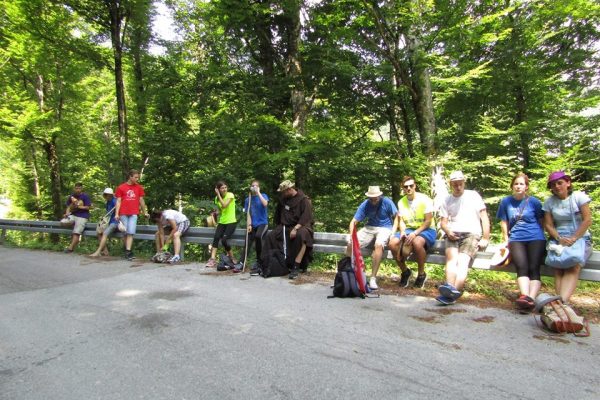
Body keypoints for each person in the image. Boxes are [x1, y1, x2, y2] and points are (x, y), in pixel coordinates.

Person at [437, 171, 490, 305]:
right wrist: (448, 231)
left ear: (464, 182)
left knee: (463, 261)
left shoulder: (473, 195)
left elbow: (484, 217)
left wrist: (485, 237)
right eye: (455, 185)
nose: (458, 187)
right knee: (451, 259)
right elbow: (443, 222)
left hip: (471, 233)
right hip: (453, 232)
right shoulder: (446, 199)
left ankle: (453, 292)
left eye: (460, 184)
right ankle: (449, 288)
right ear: (451, 185)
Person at [496, 173, 546, 312]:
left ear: (526, 187)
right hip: (516, 238)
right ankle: (525, 297)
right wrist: (506, 239)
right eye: (516, 184)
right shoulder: (506, 202)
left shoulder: (534, 202)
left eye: (521, 184)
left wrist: (540, 234)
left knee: (534, 267)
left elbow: (541, 221)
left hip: (536, 237)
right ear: (512, 186)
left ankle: (530, 298)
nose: (518, 186)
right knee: (522, 266)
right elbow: (504, 221)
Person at [542, 171, 592, 303]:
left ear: (568, 183)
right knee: (558, 267)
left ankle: (561, 302)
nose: (557, 186)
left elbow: (587, 220)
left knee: (573, 266)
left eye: (560, 183)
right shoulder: (549, 202)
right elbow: (548, 225)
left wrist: (574, 238)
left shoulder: (578, 197)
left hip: (580, 238)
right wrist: (559, 238)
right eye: (553, 185)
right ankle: (561, 303)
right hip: (559, 239)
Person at [388, 176, 437, 289]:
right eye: (406, 187)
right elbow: (401, 221)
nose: (409, 188)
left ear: (415, 186)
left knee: (417, 242)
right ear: (403, 188)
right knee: (392, 243)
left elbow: (428, 221)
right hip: (409, 229)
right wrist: (402, 232)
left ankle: (421, 274)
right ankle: (405, 272)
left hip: (426, 229)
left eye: (411, 186)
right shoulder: (401, 202)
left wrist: (415, 233)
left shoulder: (425, 199)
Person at [347, 186, 398, 290]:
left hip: (385, 228)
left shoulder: (387, 202)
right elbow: (353, 222)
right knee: (350, 243)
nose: (374, 200)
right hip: (369, 227)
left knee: (379, 244)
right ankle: (348, 272)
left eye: (376, 198)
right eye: (371, 198)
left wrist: (393, 232)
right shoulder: (365, 204)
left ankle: (373, 278)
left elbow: (397, 216)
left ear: (379, 195)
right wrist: (352, 236)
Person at [261, 180, 314, 279]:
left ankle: (296, 266)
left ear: (289, 189)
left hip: (301, 225)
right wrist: (279, 226)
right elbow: (278, 215)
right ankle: (267, 263)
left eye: (284, 192)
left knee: (301, 236)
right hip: (286, 225)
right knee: (271, 236)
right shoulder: (284, 199)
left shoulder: (304, 200)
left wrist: (296, 228)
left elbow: (306, 216)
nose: (283, 194)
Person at [234, 179, 269, 273]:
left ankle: (259, 261)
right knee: (248, 241)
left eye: (256, 185)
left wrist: (258, 193)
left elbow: (265, 204)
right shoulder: (247, 199)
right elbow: (248, 213)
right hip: (252, 224)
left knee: (258, 237)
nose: (254, 187)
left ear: (259, 187)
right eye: (253, 185)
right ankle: (241, 262)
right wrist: (249, 224)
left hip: (263, 223)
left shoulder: (264, 196)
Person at [115, 169, 147, 261]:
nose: (137, 179)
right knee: (125, 232)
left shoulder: (139, 187)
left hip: (134, 213)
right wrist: (117, 213)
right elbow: (118, 201)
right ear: (130, 177)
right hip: (123, 213)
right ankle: (127, 250)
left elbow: (141, 200)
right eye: (136, 177)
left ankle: (128, 251)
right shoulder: (121, 187)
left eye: (138, 177)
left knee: (131, 232)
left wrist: (145, 212)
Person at [206, 181, 237, 267]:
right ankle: (212, 259)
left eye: (225, 187)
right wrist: (215, 214)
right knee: (216, 238)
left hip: (231, 222)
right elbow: (221, 209)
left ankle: (232, 257)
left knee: (224, 240)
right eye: (222, 188)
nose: (224, 189)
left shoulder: (230, 195)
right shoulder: (216, 199)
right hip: (222, 222)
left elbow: (224, 205)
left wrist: (218, 195)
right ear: (218, 189)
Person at [63, 182, 92, 253]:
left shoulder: (85, 196)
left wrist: (79, 207)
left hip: (82, 216)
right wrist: (67, 213)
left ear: (81, 189)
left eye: (79, 188)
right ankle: (74, 227)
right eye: (76, 188)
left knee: (76, 232)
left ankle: (70, 248)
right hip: (73, 215)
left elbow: (88, 207)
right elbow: (68, 207)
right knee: (63, 222)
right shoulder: (71, 196)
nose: (78, 190)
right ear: (74, 188)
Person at [90, 188, 118, 257]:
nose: (105, 196)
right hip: (108, 222)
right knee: (99, 232)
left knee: (105, 233)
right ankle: (105, 251)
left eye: (106, 195)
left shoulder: (115, 201)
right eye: (105, 195)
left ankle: (98, 252)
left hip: (115, 223)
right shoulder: (108, 202)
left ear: (110, 195)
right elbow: (108, 213)